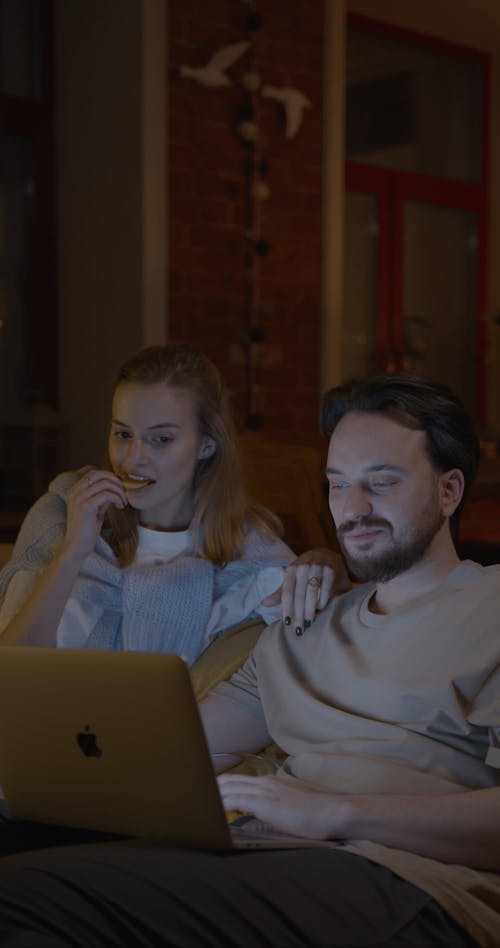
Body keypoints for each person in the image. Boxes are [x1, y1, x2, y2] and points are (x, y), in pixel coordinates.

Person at [0, 371, 498, 947]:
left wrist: (333, 813)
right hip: (266, 853)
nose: (353, 509)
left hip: (408, 879)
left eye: (381, 483)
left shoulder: (490, 610)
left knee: (21, 905)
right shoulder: (302, 624)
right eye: (337, 485)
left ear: (449, 491)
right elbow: (172, 754)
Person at [0, 344, 344, 659]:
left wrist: (330, 564)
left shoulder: (249, 552)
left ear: (206, 444)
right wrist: (72, 552)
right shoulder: (62, 510)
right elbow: (11, 673)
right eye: (122, 434)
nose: (133, 458)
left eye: (161, 439)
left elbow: (322, 641)